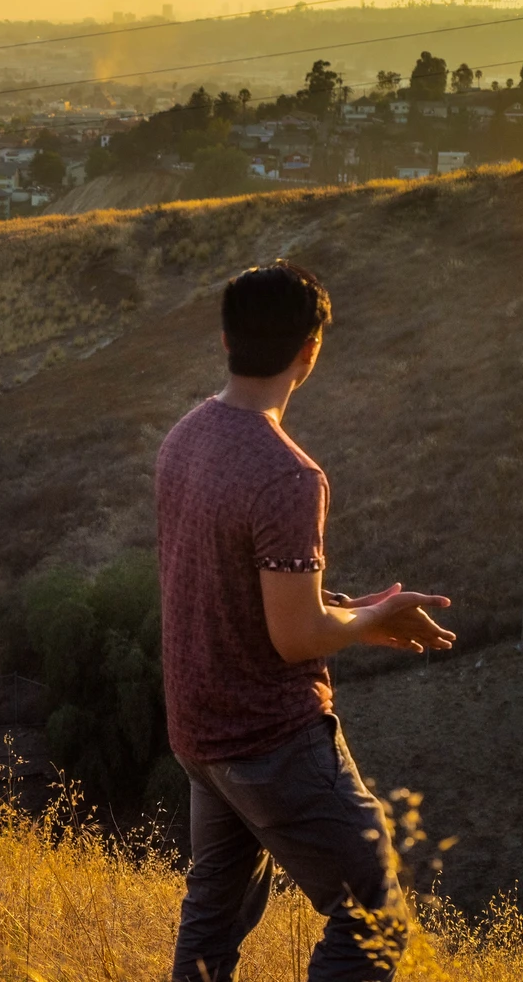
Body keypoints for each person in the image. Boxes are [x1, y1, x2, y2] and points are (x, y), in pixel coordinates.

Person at [155, 262, 455, 982]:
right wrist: (373, 618)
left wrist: (353, 614)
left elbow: (242, 598)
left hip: (200, 732)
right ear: (309, 353)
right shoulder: (290, 475)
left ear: (226, 338)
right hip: (269, 739)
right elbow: (293, 639)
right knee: (374, 919)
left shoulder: (184, 437)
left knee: (211, 925)